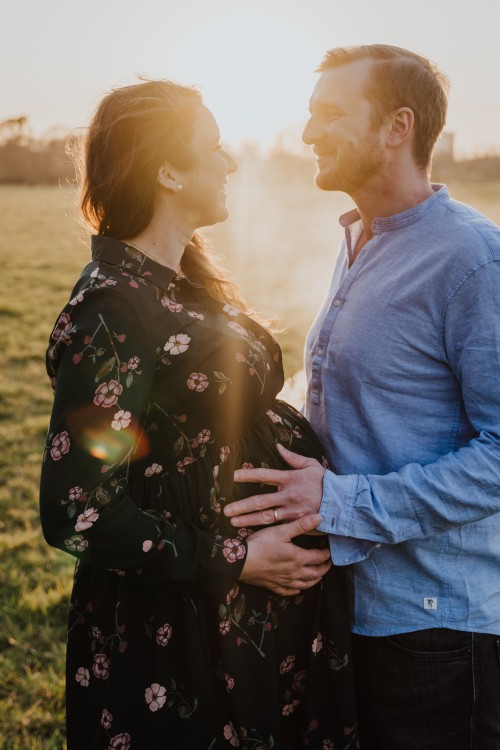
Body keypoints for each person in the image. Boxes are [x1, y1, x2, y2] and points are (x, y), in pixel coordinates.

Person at [39, 79, 358, 749]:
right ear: (167, 169)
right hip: (180, 633)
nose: (231, 162)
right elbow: (78, 509)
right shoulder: (113, 310)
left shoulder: (180, 279)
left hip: (238, 623)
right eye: (213, 147)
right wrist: (238, 558)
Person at [223, 44, 500, 749]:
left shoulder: (472, 260)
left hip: (435, 631)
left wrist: (338, 503)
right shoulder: (358, 241)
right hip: (352, 607)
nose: (308, 133)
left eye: (329, 114)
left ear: (396, 127)